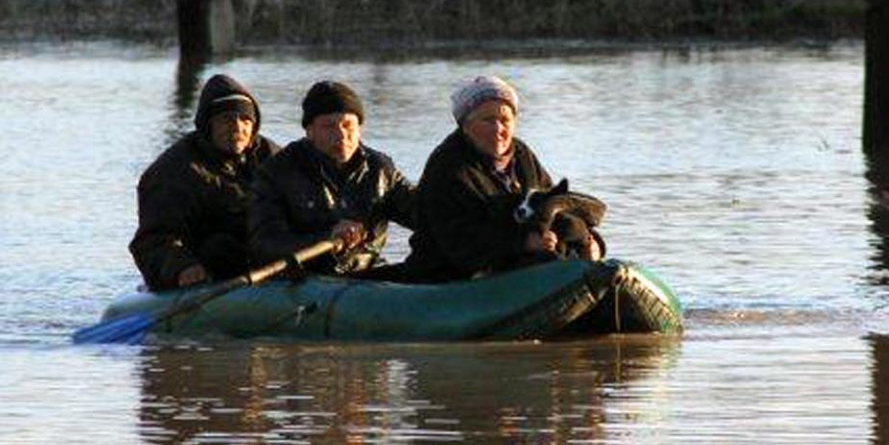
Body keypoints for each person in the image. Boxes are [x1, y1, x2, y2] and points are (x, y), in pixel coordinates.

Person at [405, 75, 592, 281]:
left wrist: (587, 243)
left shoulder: (522, 154)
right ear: (465, 126)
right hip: (449, 273)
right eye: (487, 120)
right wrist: (523, 242)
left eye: (505, 120)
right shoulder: (447, 166)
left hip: (514, 263)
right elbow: (458, 242)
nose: (498, 129)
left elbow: (553, 204)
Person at [249, 80, 415, 276]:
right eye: (329, 126)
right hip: (304, 279)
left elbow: (422, 213)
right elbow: (265, 243)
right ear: (310, 131)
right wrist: (327, 238)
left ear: (360, 128)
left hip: (367, 274)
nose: (341, 135)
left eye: (348, 125)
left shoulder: (380, 169)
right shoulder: (278, 171)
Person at [129, 73, 277, 291]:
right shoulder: (172, 172)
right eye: (227, 119)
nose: (237, 127)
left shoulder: (273, 158)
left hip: (268, 262)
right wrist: (181, 267)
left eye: (245, 120)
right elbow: (154, 239)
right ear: (209, 124)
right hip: (210, 271)